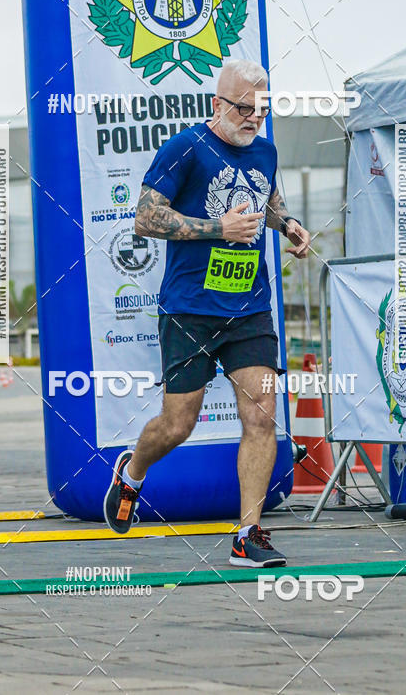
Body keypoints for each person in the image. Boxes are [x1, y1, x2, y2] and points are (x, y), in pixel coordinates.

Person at [103, 59, 311, 567]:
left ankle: (248, 534)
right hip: (190, 310)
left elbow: (268, 197)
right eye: (243, 109)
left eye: (261, 110)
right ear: (217, 104)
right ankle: (132, 471)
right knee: (179, 424)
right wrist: (217, 228)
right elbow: (146, 218)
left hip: (249, 308)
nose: (253, 119)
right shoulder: (185, 148)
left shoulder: (265, 148)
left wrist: (289, 226)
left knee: (261, 417)